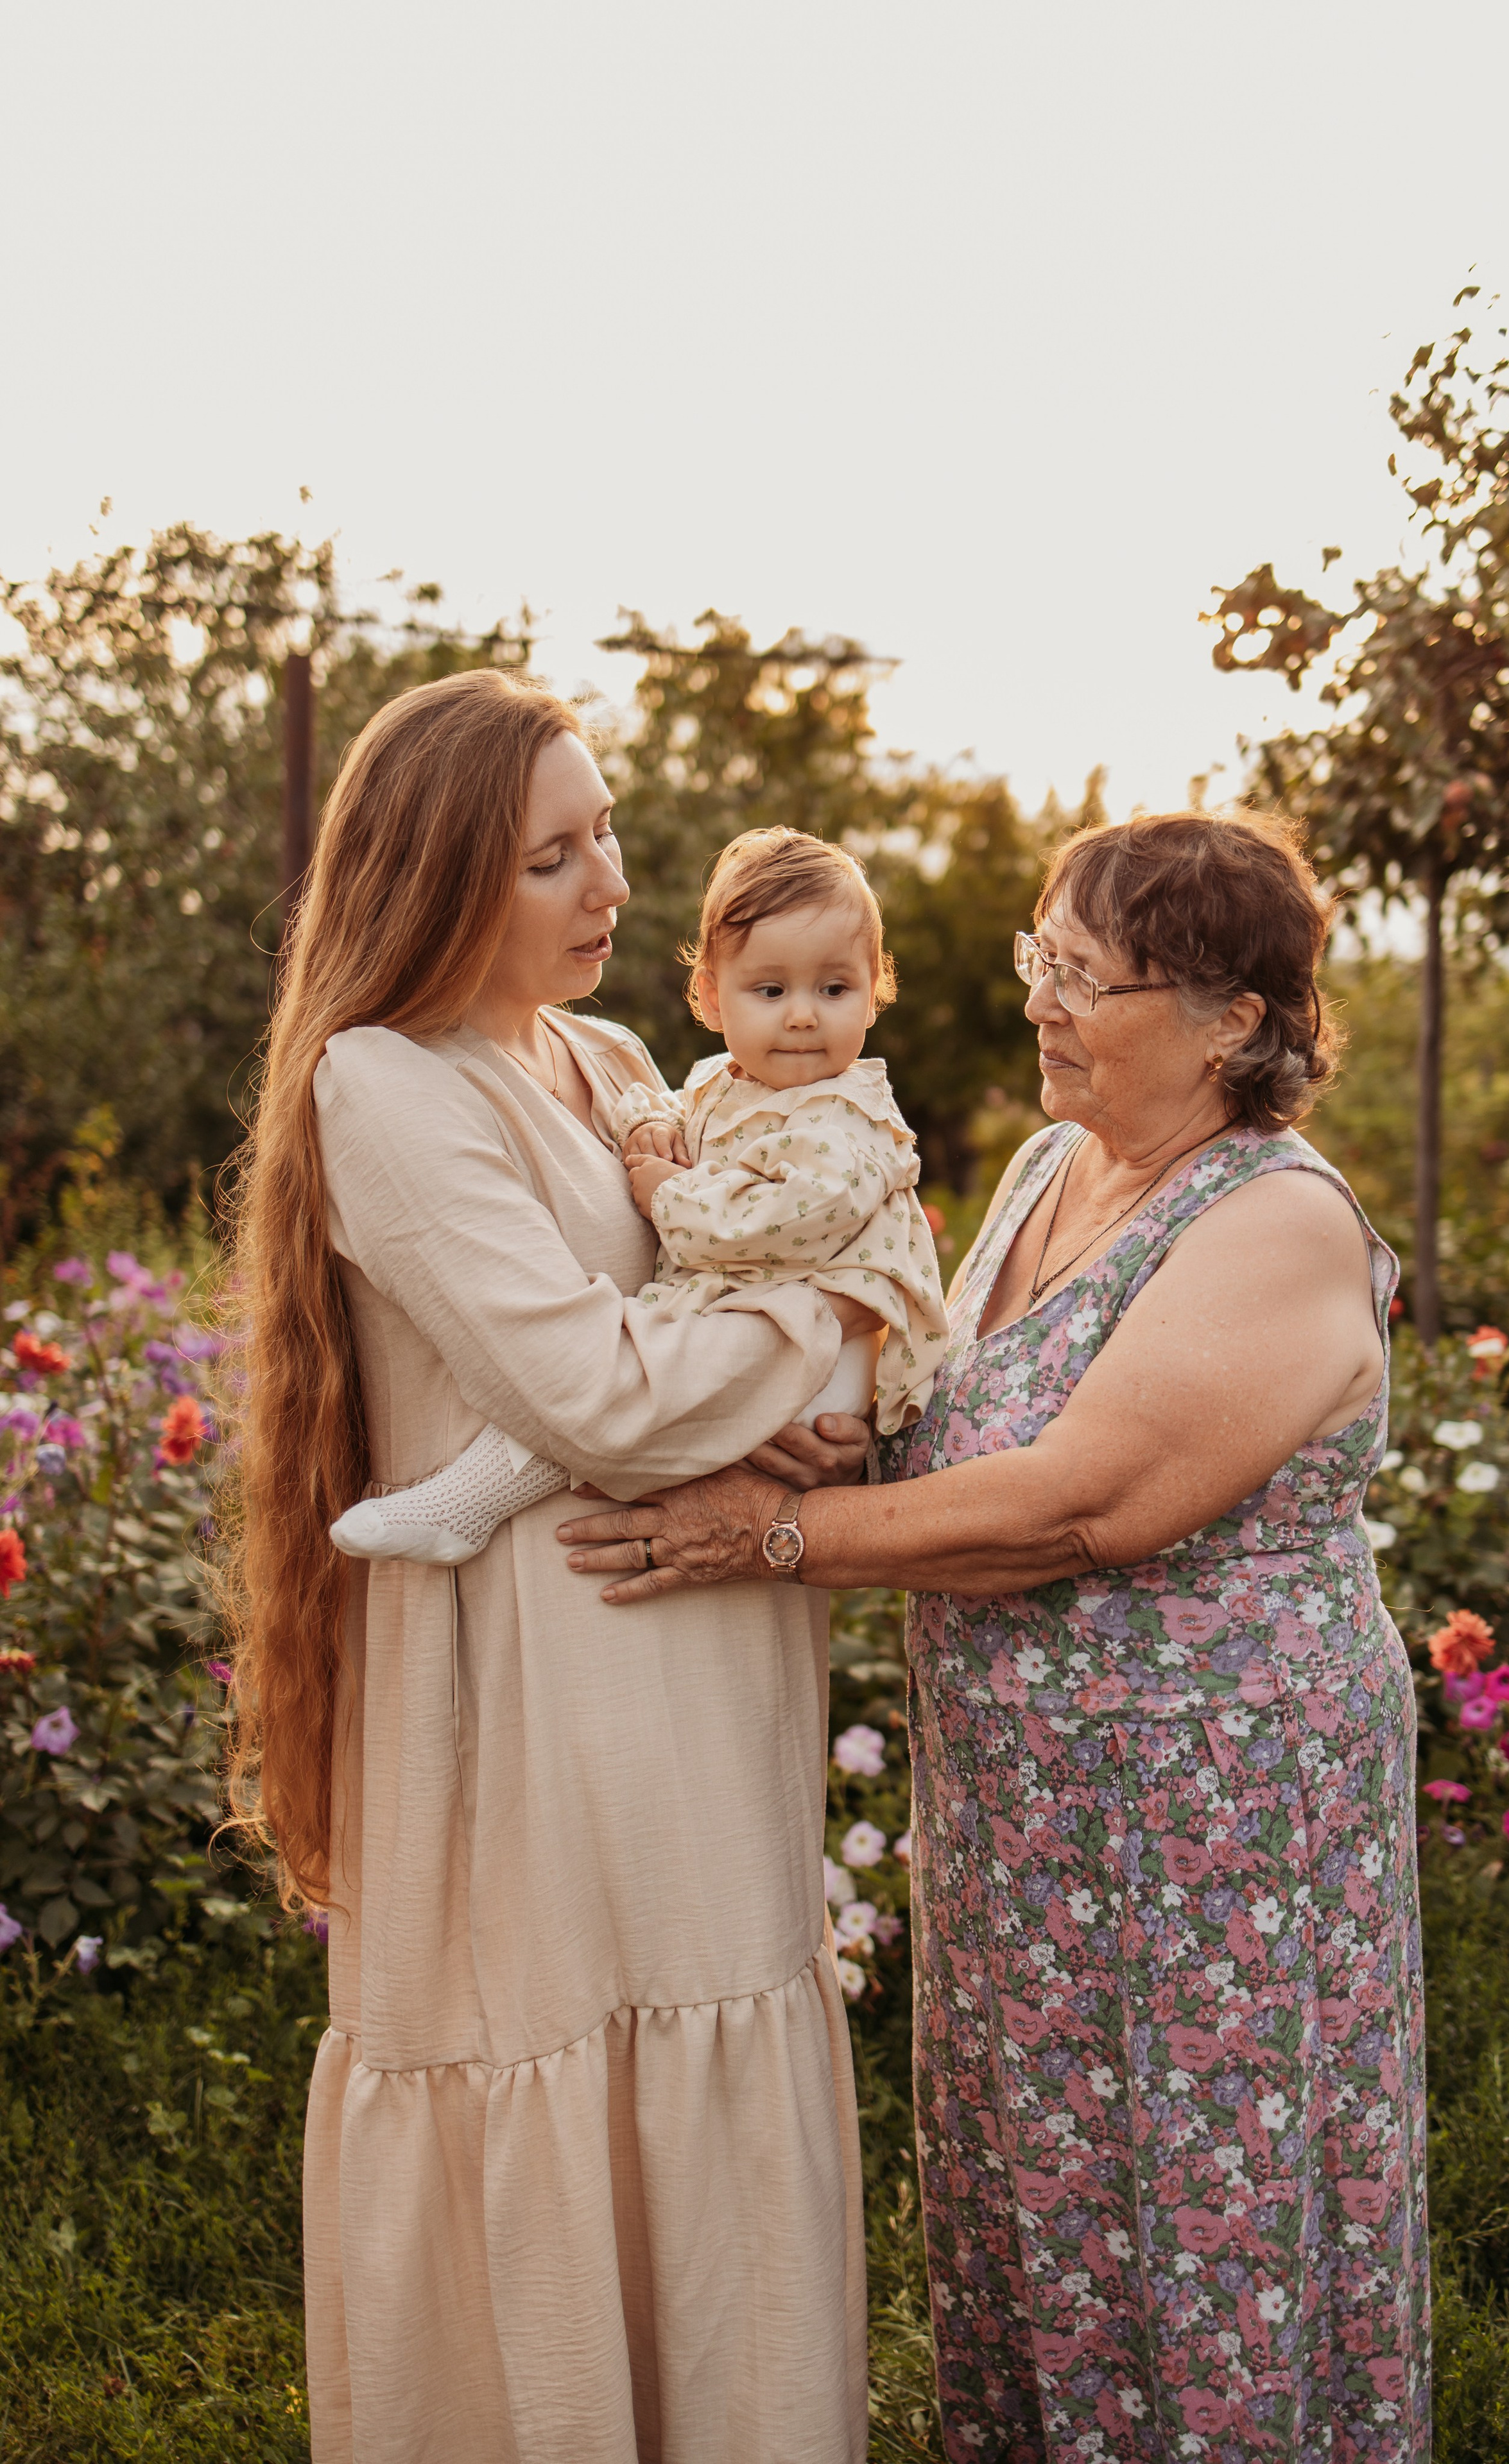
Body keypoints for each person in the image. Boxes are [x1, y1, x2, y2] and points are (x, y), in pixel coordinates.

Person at [559, 809, 1431, 2464]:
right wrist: (833, 1439)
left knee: (1203, 2209)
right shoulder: (1050, 1165)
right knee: (1041, 2195)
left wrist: (771, 1534)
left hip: (1209, 1850)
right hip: (1028, 1836)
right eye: (1043, 954)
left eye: (1084, 976)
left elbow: (1077, 1502)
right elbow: (961, 1422)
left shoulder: (1277, 1222)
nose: (1036, 997)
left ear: (1230, 1019)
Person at [221, 668, 879, 2464]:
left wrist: (805, 1407)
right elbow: (588, 1389)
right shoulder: (382, 1084)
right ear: (439, 878)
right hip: (540, 1704)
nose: (610, 887)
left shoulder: (612, 1065)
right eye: (549, 857)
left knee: (715, 2089)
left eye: (607, 835)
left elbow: (691, 1328)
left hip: (705, 1681)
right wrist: (821, 1340)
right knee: (554, 2058)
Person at [328, 826, 948, 1569]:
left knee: (650, 1364)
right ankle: (471, 1499)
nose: (803, 1015)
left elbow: (793, 1219)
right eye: (771, 991)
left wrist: (672, 1198)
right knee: (638, 1371)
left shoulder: (846, 1112)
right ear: (711, 998)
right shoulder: (728, 1082)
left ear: (876, 993)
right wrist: (649, 1126)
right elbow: (680, 1116)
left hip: (813, 1368)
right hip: (758, 1325)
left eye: (835, 989)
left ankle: (470, 1500)